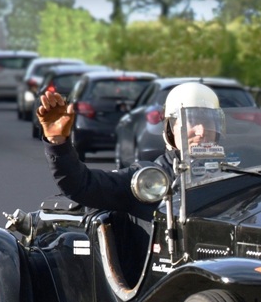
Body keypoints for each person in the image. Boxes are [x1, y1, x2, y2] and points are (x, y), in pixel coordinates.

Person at [36, 81, 222, 217]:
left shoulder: (236, 175)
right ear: (170, 129)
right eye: (191, 121)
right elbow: (82, 184)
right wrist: (58, 142)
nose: (202, 130)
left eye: (208, 122)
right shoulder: (145, 179)